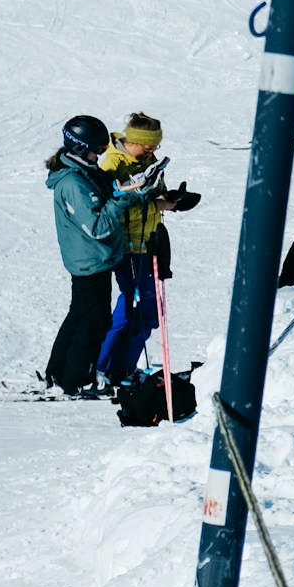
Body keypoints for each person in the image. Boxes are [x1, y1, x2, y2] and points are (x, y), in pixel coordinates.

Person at [95, 113, 199, 390]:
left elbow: (156, 198)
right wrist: (153, 203)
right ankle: (101, 368)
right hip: (127, 247)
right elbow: (109, 206)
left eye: (156, 147)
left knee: (150, 314)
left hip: (149, 243)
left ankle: (125, 368)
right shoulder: (112, 163)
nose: (153, 151)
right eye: (148, 146)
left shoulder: (150, 161)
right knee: (128, 312)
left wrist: (174, 201)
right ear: (133, 141)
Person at [41, 116, 127, 396]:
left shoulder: (85, 170)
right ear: (79, 148)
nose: (101, 154)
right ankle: (76, 379)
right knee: (95, 322)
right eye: (97, 149)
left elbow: (106, 190)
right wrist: (121, 201)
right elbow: (98, 227)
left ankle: (58, 372)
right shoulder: (73, 184)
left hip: (91, 259)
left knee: (79, 315)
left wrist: (132, 189)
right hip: (90, 261)